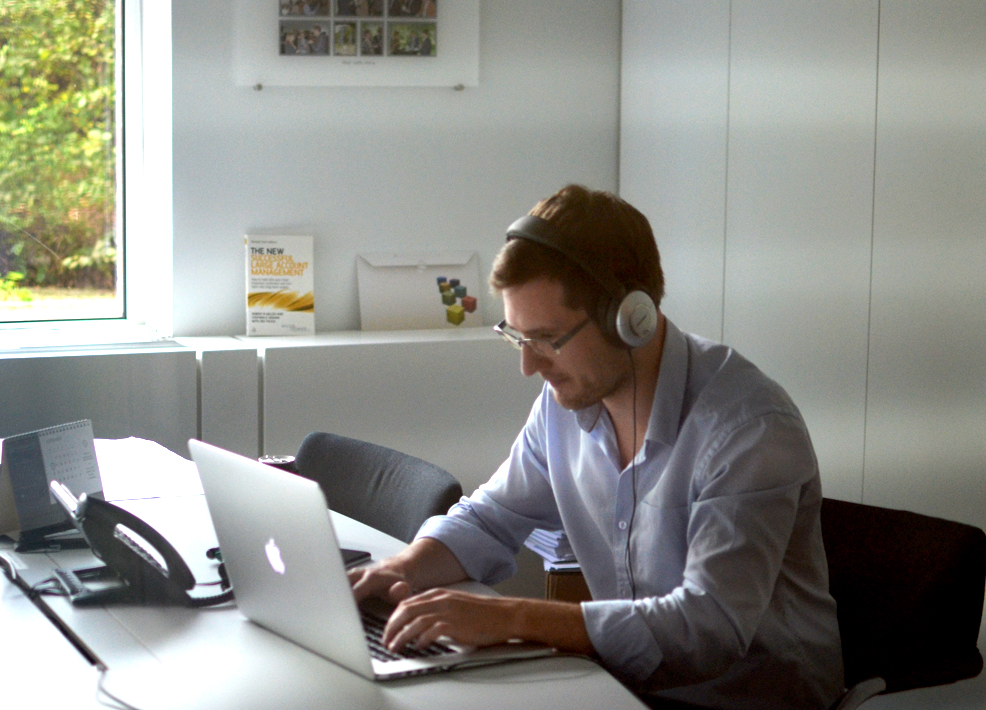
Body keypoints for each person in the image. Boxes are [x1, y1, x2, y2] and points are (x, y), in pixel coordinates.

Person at [350, 185, 844, 709]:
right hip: (627, 687)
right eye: (517, 337)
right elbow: (489, 519)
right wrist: (397, 570)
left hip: (749, 699)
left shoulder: (747, 428)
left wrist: (511, 618)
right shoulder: (564, 403)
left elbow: (708, 628)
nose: (529, 365)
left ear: (632, 318)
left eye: (548, 338)